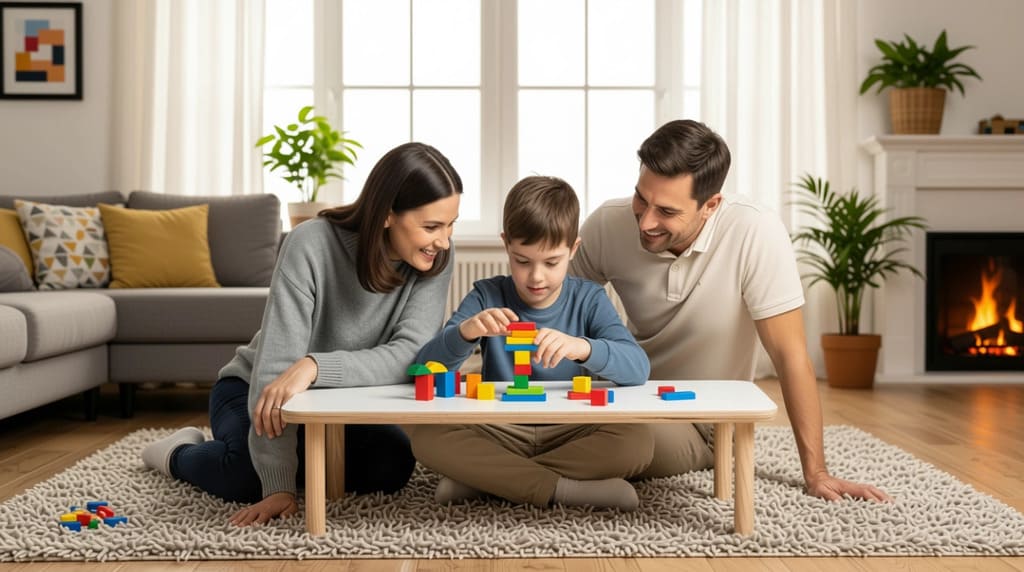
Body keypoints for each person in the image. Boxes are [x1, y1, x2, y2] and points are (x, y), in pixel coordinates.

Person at [140, 142, 464, 526]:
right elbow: (276, 369)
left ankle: (302, 458)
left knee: (391, 467)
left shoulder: (436, 259)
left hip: (337, 399)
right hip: (252, 386)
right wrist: (277, 483)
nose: (443, 240)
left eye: (450, 225)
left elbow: (410, 355)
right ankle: (177, 451)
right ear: (387, 214)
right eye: (431, 226)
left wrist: (315, 367)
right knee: (247, 477)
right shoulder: (309, 244)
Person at [569, 119, 890, 502]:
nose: (646, 220)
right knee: (534, 425)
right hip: (624, 393)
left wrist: (816, 473)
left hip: (705, 419)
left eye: (667, 211)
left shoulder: (755, 231)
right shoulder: (609, 223)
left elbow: (789, 355)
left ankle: (527, 476)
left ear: (711, 206)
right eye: (642, 198)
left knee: (623, 441)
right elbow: (561, 312)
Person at [404, 176, 653, 511]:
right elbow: (429, 370)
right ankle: (565, 490)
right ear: (506, 245)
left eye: (551, 262)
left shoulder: (589, 298)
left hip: (570, 428)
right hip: (501, 428)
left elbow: (637, 368)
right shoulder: (487, 294)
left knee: (637, 442)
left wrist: (583, 347)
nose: (536, 277)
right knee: (427, 438)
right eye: (522, 261)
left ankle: (490, 482)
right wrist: (466, 332)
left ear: (573, 249)